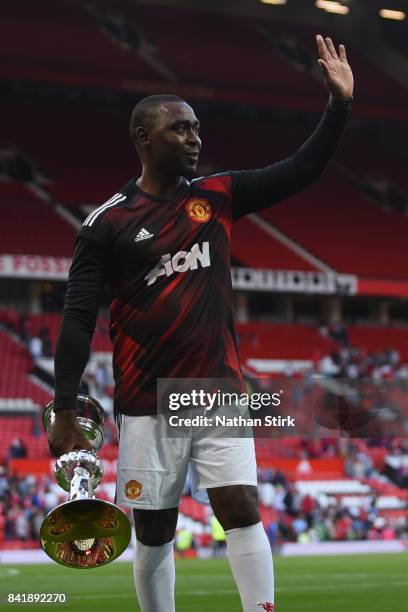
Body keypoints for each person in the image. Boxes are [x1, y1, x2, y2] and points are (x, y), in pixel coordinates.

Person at [48, 35, 353, 612]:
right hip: (145, 402)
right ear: (144, 137)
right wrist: (65, 407)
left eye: (196, 128)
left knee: (241, 509)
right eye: (180, 129)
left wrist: (338, 106)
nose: (195, 138)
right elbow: (77, 318)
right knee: (154, 532)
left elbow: (302, 169)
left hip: (216, 390)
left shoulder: (218, 197)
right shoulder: (106, 224)